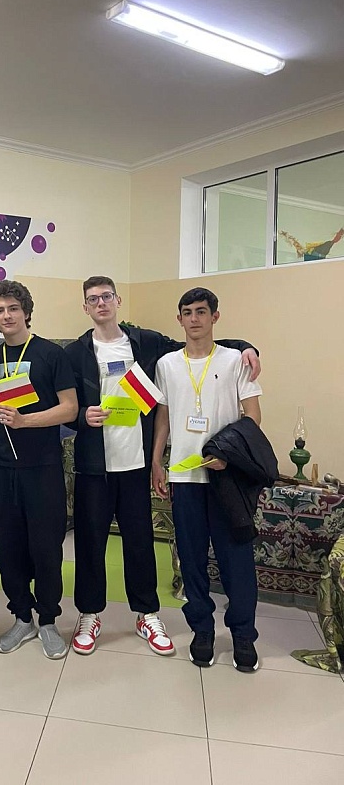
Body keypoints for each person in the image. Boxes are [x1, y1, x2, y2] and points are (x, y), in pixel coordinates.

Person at [64, 276, 261, 656]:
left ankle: (146, 613)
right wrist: (81, 417)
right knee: (90, 544)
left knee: (139, 543)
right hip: (94, 466)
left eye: (107, 296)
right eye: (93, 299)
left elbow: (197, 341)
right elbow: (66, 403)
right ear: (85, 307)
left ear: (118, 300)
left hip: (136, 463)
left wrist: (246, 346)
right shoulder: (74, 353)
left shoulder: (147, 343)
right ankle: (89, 614)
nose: (101, 303)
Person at [152, 287, 263, 672]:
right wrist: (157, 462)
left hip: (226, 479)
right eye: (188, 312)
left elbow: (252, 416)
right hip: (185, 478)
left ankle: (243, 635)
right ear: (179, 319)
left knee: (237, 560)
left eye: (201, 311)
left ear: (215, 316)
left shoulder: (235, 361)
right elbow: (163, 417)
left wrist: (228, 455)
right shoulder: (167, 364)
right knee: (191, 560)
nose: (194, 318)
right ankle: (202, 630)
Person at [0, 280, 78, 660]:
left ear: (26, 311)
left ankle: (49, 620)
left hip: (42, 467)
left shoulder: (51, 355)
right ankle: (22, 617)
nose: (6, 316)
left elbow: (69, 408)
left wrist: (26, 421)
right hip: (0, 468)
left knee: (46, 547)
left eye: (13, 308)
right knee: (8, 548)